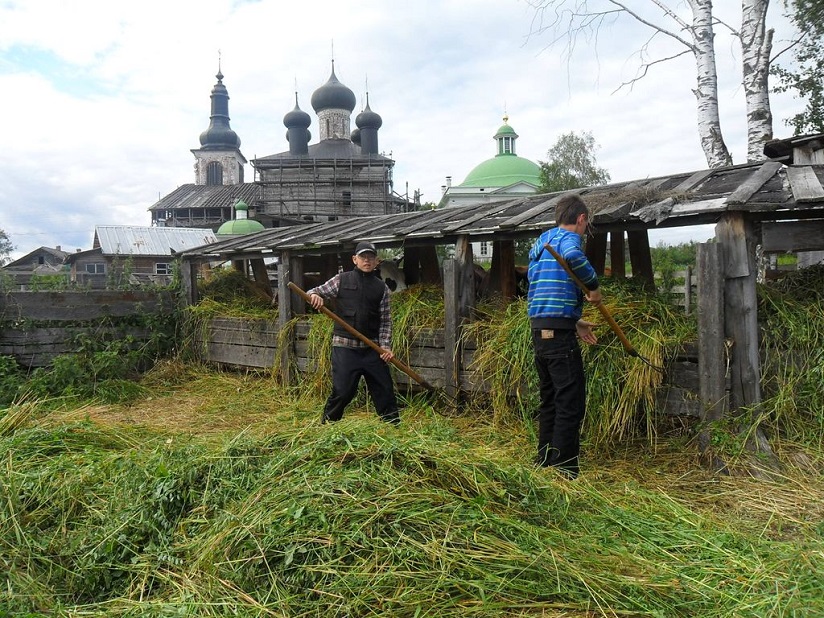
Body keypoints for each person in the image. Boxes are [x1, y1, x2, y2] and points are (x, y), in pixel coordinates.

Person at [526, 193, 602, 479]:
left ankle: (545, 459)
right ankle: (564, 469)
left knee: (550, 398)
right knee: (570, 400)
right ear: (581, 219)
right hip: (558, 337)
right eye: (586, 225)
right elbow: (572, 257)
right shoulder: (568, 240)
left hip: (540, 328)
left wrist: (574, 321)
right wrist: (593, 287)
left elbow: (538, 285)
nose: (584, 231)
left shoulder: (541, 243)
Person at [305, 241, 401, 425]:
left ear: (376, 261)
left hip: (372, 349)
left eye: (371, 257)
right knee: (343, 391)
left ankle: (393, 427)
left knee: (385, 390)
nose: (367, 260)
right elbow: (314, 291)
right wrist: (315, 296)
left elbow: (385, 321)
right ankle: (328, 424)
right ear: (354, 259)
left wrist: (385, 346)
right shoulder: (341, 280)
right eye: (363, 257)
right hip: (345, 348)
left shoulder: (382, 288)